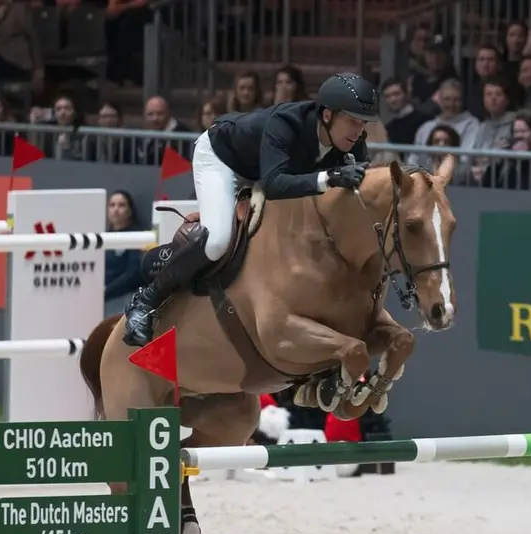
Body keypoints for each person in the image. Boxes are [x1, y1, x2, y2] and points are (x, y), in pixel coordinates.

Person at [121, 72, 379, 347]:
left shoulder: (353, 142)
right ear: (327, 115)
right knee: (218, 240)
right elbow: (273, 185)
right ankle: (145, 301)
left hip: (266, 169)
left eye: (363, 122)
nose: (358, 130)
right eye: (352, 121)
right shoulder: (287, 123)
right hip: (223, 159)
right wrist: (331, 177)